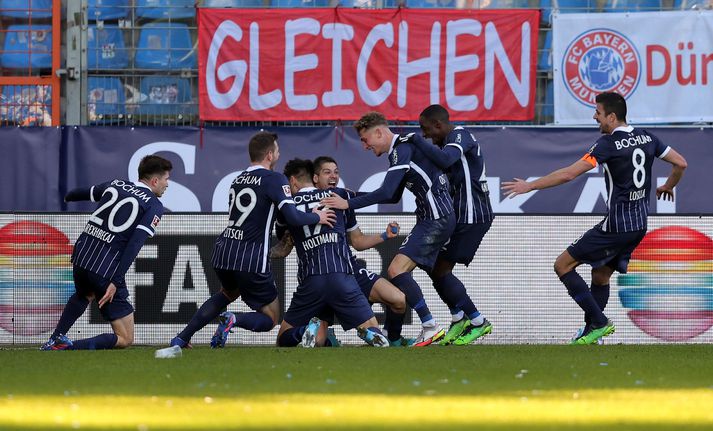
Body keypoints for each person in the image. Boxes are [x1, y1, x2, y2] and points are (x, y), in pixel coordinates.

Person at [502, 92, 687, 345]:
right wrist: (668, 186)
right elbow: (681, 163)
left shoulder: (606, 145)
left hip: (616, 226)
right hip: (639, 226)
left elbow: (568, 174)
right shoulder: (647, 137)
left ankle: (599, 323)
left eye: (598, 113)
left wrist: (530, 186)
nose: (594, 117)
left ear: (611, 116)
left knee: (563, 265)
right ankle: (593, 334)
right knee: (600, 276)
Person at [166, 132, 335, 349]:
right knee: (271, 317)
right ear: (270, 154)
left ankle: (182, 337)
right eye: (277, 150)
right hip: (251, 257)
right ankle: (234, 319)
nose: (279, 154)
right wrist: (316, 216)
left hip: (224, 251)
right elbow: (292, 216)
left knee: (227, 293)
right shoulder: (275, 179)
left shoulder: (237, 179)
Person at [321, 112, 454, 346]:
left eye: (365, 139)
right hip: (434, 217)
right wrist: (353, 195)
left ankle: (430, 326)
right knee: (400, 272)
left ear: (379, 132)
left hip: (436, 217)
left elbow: (384, 192)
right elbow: (393, 196)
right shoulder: (400, 151)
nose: (364, 146)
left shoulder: (401, 149)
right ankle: (431, 325)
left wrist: (348, 203)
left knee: (395, 270)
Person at [270, 156, 411, 347]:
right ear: (314, 177)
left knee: (284, 338)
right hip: (342, 275)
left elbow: (283, 243)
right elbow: (378, 196)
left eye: (336, 172)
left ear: (293, 180)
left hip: (312, 279)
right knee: (372, 327)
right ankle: (374, 334)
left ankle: (304, 331)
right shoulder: (339, 196)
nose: (333, 176)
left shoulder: (288, 206)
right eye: (327, 172)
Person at [41, 155, 173, 350]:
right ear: (154, 181)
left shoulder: (116, 184)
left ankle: (55, 338)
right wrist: (116, 280)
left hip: (82, 255)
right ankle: (67, 347)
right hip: (105, 266)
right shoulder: (153, 205)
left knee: (83, 294)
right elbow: (135, 244)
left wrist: (67, 196)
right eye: (166, 179)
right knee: (125, 338)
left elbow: (82, 193)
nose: (167, 184)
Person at [414, 104, 494, 345]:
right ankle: (459, 316)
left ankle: (477, 321)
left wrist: (415, 142)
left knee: (439, 268)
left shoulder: (459, 135)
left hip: (472, 215)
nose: (425, 135)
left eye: (426, 130)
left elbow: (447, 158)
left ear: (439, 124)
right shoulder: (443, 144)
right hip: (459, 215)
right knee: (432, 266)